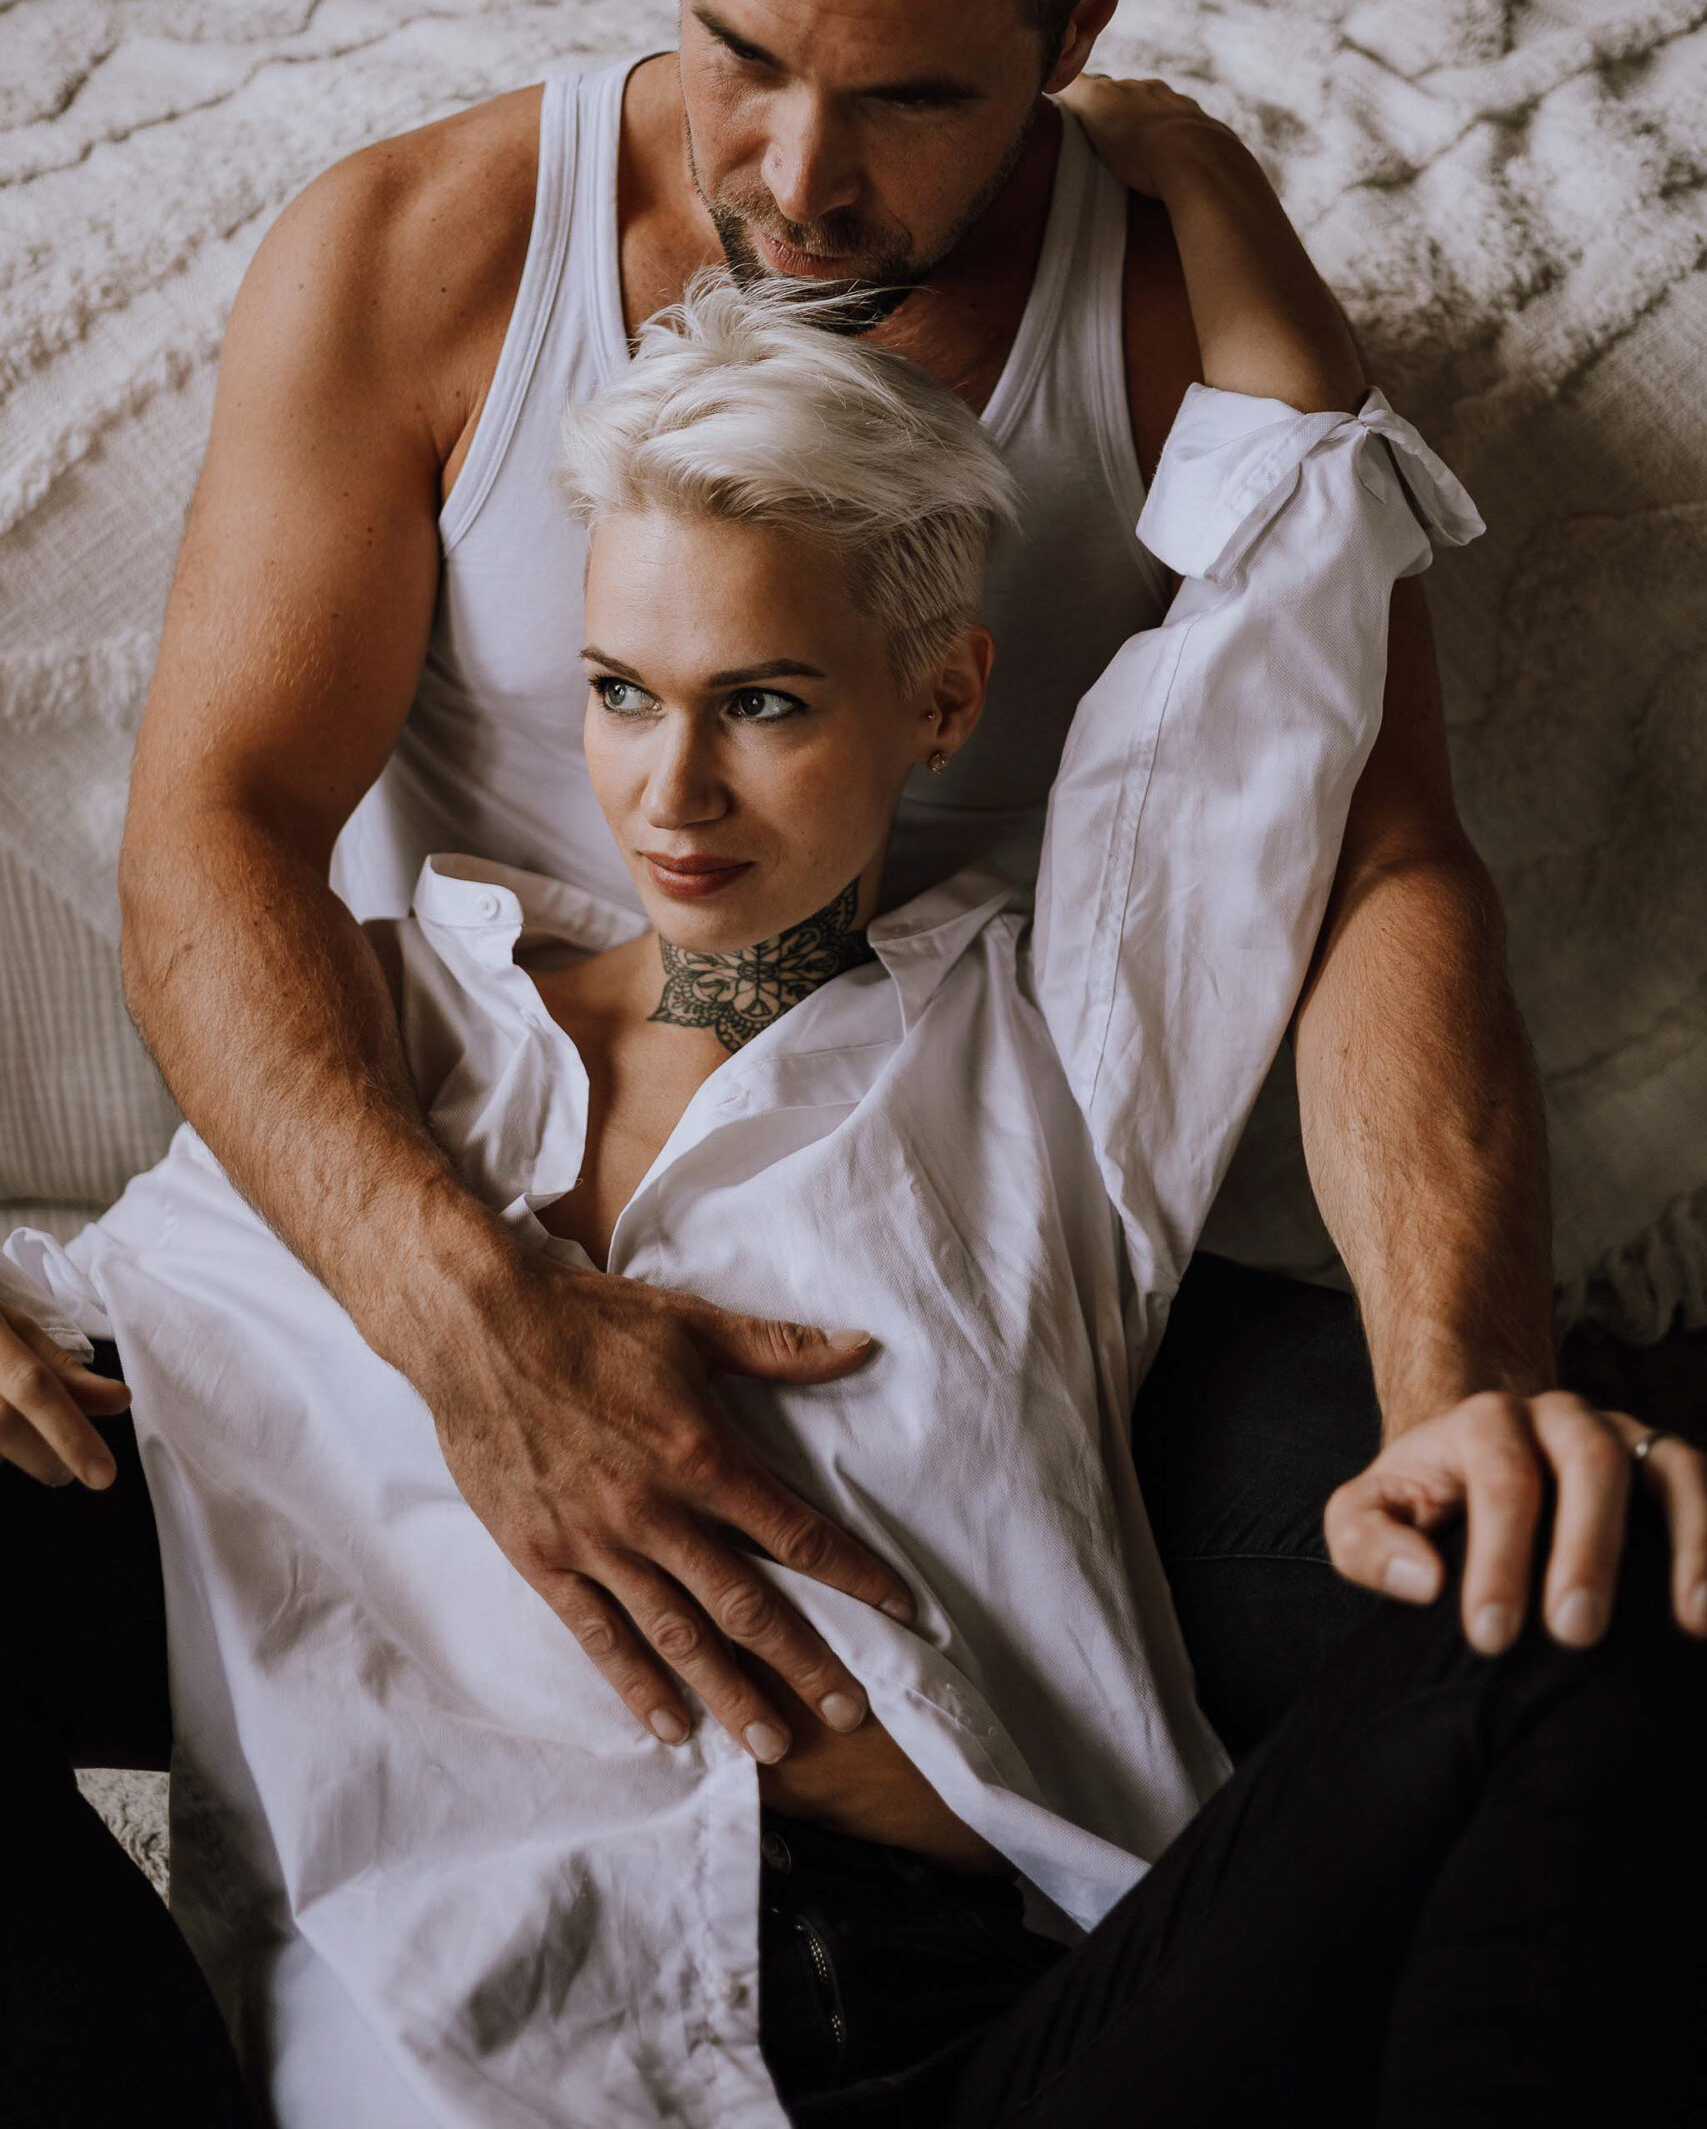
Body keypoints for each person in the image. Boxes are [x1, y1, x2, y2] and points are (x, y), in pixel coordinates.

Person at [96, 0, 1628, 1783]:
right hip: (483, 1218)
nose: (799, 179)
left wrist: (1457, 1394)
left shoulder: (1163, 315)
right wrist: (472, 1324)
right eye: (741, 56)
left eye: (907, 96)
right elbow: (214, 822)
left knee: (1560, 1609)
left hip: (984, 1293)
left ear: (1079, 22)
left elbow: (1377, 865)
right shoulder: (417, 255)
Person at [5, 262, 1705, 2128]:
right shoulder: (387, 1058)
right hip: (478, 2069)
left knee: (1608, 1556)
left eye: (762, 704)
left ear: (943, 695)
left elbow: (1298, 612)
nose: (673, 793)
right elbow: (99, 1326)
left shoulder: (1054, 1041)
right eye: (622, 694)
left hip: (1019, 2041)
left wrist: (1201, 190)